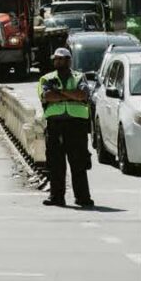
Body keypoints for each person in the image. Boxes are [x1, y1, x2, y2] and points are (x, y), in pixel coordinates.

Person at [38, 45, 94, 208]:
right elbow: (47, 96)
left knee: (79, 163)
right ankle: (56, 197)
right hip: (55, 125)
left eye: (62, 59)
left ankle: (83, 198)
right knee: (55, 164)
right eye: (56, 59)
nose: (58, 61)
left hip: (76, 125)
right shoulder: (47, 78)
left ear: (69, 61)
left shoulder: (79, 77)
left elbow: (83, 94)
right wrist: (71, 94)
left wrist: (60, 93)